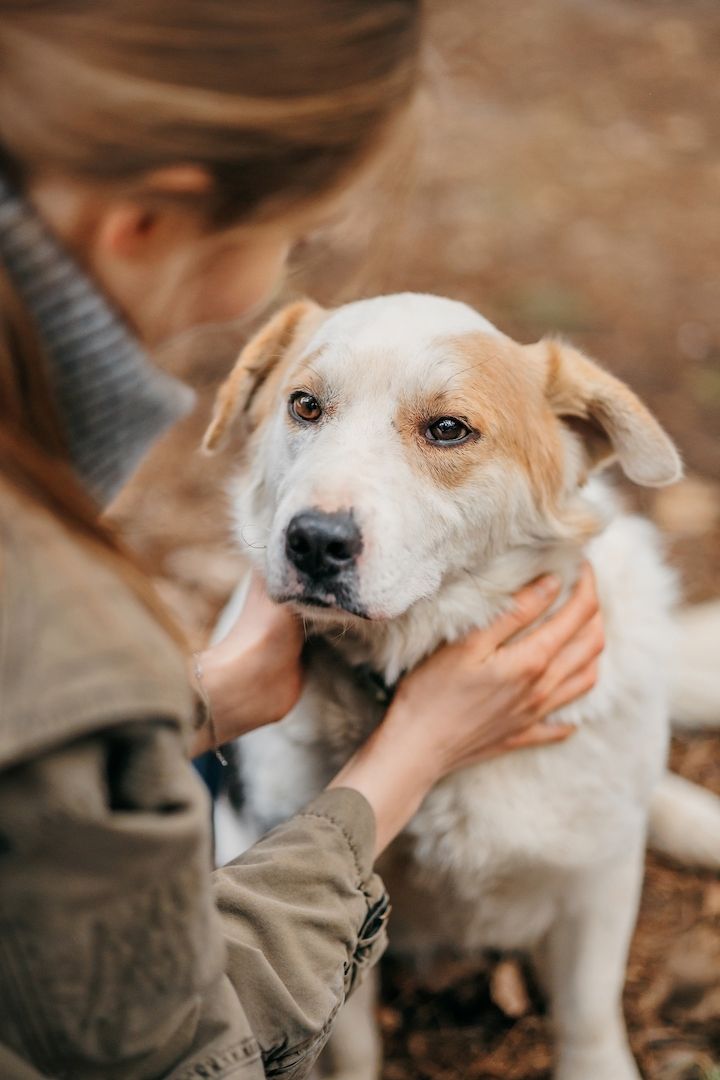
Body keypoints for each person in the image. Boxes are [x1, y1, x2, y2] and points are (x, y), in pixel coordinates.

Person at [0, 3, 604, 1078]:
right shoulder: (58, 618)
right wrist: (407, 757)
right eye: (299, 233)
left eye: (446, 430)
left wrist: (205, 700)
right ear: (147, 222)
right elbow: (170, 1051)